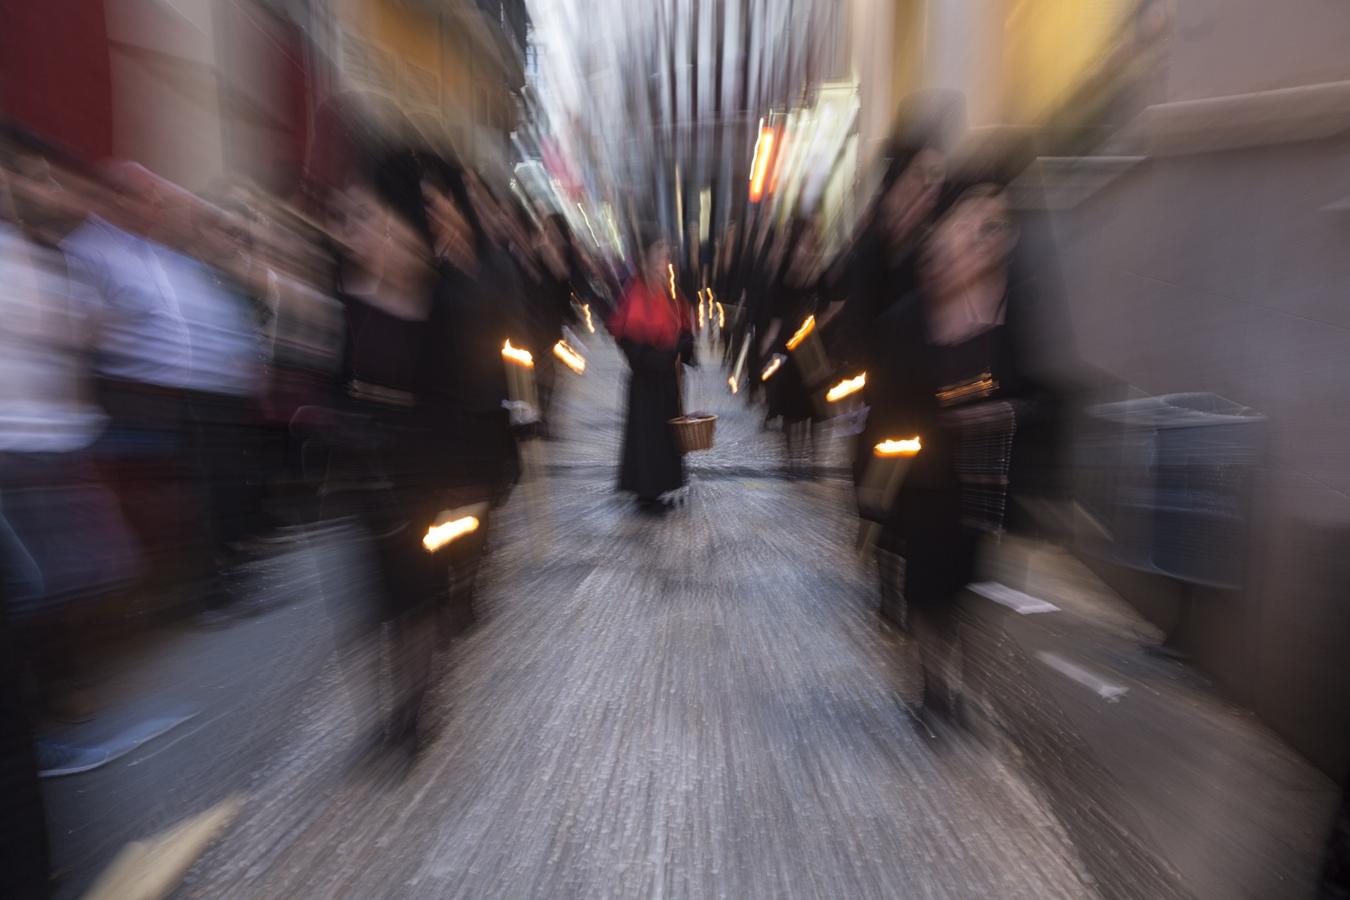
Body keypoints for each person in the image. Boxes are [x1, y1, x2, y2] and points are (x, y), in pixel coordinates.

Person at [864, 171, 1064, 721]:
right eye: (976, 225)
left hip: (986, 477)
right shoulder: (911, 316)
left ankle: (960, 683)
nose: (987, 238)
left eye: (998, 227)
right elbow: (889, 406)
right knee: (928, 583)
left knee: (970, 583)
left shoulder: (1013, 304)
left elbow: (1036, 385)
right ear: (947, 230)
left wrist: (1012, 414)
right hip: (927, 475)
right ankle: (933, 683)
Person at [609, 231, 694, 513]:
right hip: (648, 382)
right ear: (645, 259)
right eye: (659, 254)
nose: (664, 260)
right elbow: (630, 340)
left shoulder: (669, 292)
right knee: (649, 438)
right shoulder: (636, 294)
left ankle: (662, 485)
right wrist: (660, 356)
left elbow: (682, 327)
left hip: (667, 381)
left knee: (664, 436)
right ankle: (647, 492)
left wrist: (684, 346)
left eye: (666, 254)